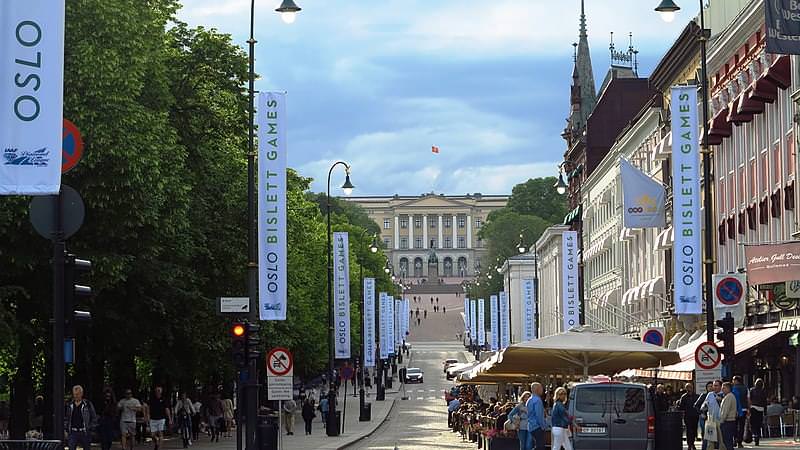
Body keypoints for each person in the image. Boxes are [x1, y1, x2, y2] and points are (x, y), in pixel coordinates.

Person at [65, 385, 98, 450]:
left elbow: (94, 417)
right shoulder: (70, 405)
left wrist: (90, 427)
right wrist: (66, 429)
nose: (76, 396)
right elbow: (66, 417)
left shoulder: (87, 404)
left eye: (77, 394)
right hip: (73, 432)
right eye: (74, 394)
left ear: (81, 394)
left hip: (85, 431)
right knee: (71, 447)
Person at [700, 380, 722, 450]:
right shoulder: (710, 394)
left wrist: (721, 400)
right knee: (710, 441)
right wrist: (704, 407)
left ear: (721, 386)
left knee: (721, 440)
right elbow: (704, 404)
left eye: (716, 385)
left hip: (720, 420)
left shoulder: (724, 394)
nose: (714, 387)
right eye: (713, 385)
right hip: (711, 420)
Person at [678, 383, 700, 450]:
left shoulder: (696, 396)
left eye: (690, 387)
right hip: (687, 416)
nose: (689, 389)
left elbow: (699, 405)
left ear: (692, 388)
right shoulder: (684, 397)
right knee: (689, 430)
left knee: (694, 430)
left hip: (695, 416)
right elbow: (681, 407)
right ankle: (690, 444)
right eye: (687, 387)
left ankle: (692, 443)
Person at [526, 382, 548, 450]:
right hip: (537, 426)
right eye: (541, 388)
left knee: (537, 445)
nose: (542, 390)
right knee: (540, 446)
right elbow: (539, 415)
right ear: (537, 389)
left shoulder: (529, 400)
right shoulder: (537, 400)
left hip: (531, 426)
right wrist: (543, 426)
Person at [149, 386, 171, 450]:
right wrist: (147, 416)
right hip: (153, 419)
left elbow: (167, 409)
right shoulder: (152, 399)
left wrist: (169, 419)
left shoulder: (164, 399)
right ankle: (156, 443)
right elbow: (148, 407)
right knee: (152, 435)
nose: (158, 392)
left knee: (160, 433)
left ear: (161, 391)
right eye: (157, 390)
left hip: (161, 418)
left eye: (159, 390)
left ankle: (159, 448)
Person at [694, 381, 714, 450]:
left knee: (712, 434)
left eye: (712, 386)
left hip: (713, 417)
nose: (711, 388)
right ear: (706, 388)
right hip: (704, 417)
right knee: (705, 434)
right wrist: (701, 413)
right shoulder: (703, 395)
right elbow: (696, 405)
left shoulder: (716, 395)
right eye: (709, 386)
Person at [720, 382, 738, 450]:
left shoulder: (729, 397)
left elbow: (725, 410)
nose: (722, 389)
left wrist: (721, 421)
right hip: (730, 421)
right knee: (728, 441)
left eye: (723, 388)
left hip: (728, 421)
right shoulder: (729, 396)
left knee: (727, 441)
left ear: (728, 388)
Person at [748, 378, 766, 446]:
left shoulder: (752, 390)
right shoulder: (763, 391)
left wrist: (749, 408)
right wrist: (765, 411)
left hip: (753, 408)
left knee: (753, 423)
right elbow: (765, 401)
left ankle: (755, 434)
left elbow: (749, 399)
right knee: (758, 423)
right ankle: (757, 435)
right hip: (761, 409)